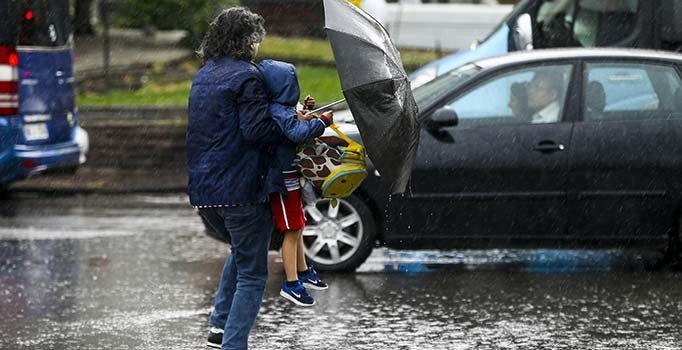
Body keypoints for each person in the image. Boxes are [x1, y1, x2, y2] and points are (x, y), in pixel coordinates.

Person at [186, 8, 291, 350]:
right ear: (247, 41)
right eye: (256, 39)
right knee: (253, 274)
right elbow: (256, 129)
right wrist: (296, 126)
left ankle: (219, 325)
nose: (259, 46)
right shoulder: (248, 76)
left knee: (242, 250)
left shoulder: (205, 74)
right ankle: (234, 344)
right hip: (242, 190)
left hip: (205, 192)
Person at [258, 59, 332, 307]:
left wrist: (308, 112)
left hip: (292, 178)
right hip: (282, 183)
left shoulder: (284, 108)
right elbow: (297, 132)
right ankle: (291, 284)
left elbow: (297, 121)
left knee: (298, 226)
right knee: (290, 231)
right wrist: (321, 122)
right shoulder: (278, 111)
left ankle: (302, 270)